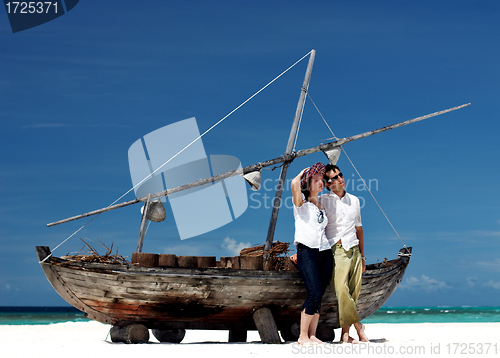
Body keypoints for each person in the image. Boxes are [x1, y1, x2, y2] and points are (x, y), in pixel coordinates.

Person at [320, 164, 369, 344]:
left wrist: (363, 257)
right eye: (335, 177)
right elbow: (316, 227)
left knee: (353, 294)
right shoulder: (323, 200)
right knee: (341, 289)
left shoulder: (355, 200)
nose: (340, 178)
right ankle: (358, 326)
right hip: (336, 250)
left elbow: (359, 230)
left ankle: (345, 335)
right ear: (327, 184)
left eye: (340, 174)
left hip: (354, 250)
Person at [289, 162, 333, 345]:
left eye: (321, 179)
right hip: (307, 250)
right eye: (316, 180)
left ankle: (313, 335)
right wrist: (304, 172)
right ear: (308, 183)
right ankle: (302, 336)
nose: (320, 182)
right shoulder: (301, 203)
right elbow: (293, 184)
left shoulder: (321, 205)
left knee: (319, 294)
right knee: (313, 293)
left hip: (325, 251)